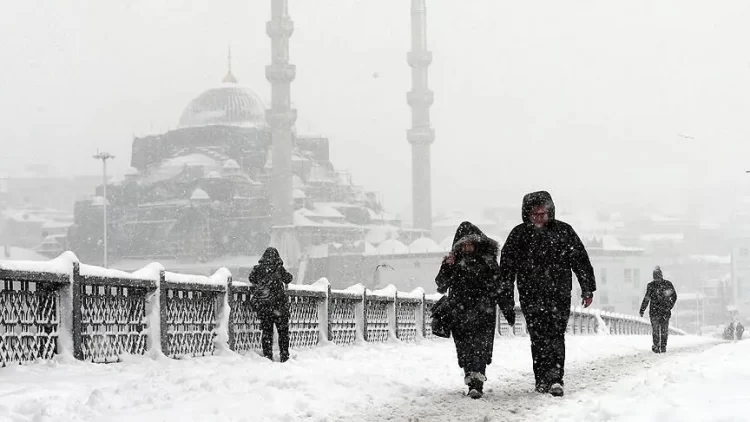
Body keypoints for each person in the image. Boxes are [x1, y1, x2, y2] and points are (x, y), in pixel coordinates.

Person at [498, 191, 596, 397]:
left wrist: (587, 288)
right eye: (535, 214)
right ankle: (541, 378)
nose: (539, 218)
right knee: (538, 336)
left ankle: (555, 378)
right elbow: (506, 269)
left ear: (550, 212)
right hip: (531, 295)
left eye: (543, 214)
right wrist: (506, 297)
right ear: (527, 214)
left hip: (558, 294)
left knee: (556, 335)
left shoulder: (563, 232)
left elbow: (580, 260)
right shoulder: (518, 235)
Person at [435, 221, 513, 399]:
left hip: (483, 313)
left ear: (478, 243)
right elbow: (441, 284)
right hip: (459, 313)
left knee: (480, 347)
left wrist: (507, 308)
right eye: (464, 243)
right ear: (459, 245)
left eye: (471, 242)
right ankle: (470, 377)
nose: (468, 246)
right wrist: (447, 266)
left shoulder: (488, 262)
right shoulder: (453, 262)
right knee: (464, 348)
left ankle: (476, 382)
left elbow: (499, 287)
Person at [248, 247, 293, 362]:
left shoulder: (258, 269)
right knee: (283, 333)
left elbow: (251, 278)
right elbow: (289, 279)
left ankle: (268, 356)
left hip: (265, 307)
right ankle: (284, 356)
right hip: (279, 306)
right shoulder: (279, 269)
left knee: (267, 333)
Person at [639, 266, 677, 353]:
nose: (657, 279)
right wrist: (669, 306)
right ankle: (659, 346)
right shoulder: (667, 285)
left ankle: (660, 346)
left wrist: (642, 309)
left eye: (657, 277)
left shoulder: (652, 286)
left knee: (658, 330)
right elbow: (673, 296)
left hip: (657, 311)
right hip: (662, 311)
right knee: (662, 330)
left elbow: (647, 298)